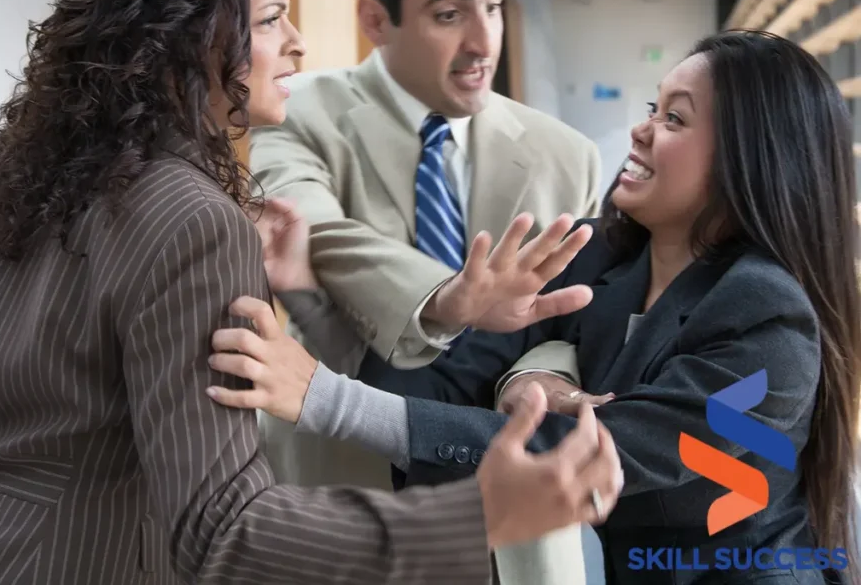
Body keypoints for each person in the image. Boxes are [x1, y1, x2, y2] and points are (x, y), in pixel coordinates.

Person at [0, 0, 624, 585]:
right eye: (273, 19)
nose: (299, 44)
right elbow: (222, 533)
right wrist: (479, 515)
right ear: (194, 39)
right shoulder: (195, 220)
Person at [209, 30, 861, 584]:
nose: (639, 129)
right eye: (652, 107)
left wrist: (319, 395)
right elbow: (443, 386)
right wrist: (305, 295)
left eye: (675, 119)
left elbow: (584, 455)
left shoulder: (767, 317)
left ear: (751, 158)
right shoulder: (595, 259)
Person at [249, 0, 600, 583]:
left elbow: (577, 319)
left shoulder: (568, 156)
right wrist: (447, 299)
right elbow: (311, 227)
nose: (483, 42)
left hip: (513, 526)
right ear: (376, 19)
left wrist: (538, 374)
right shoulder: (298, 110)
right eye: (450, 13)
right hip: (345, 497)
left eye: (493, 5)